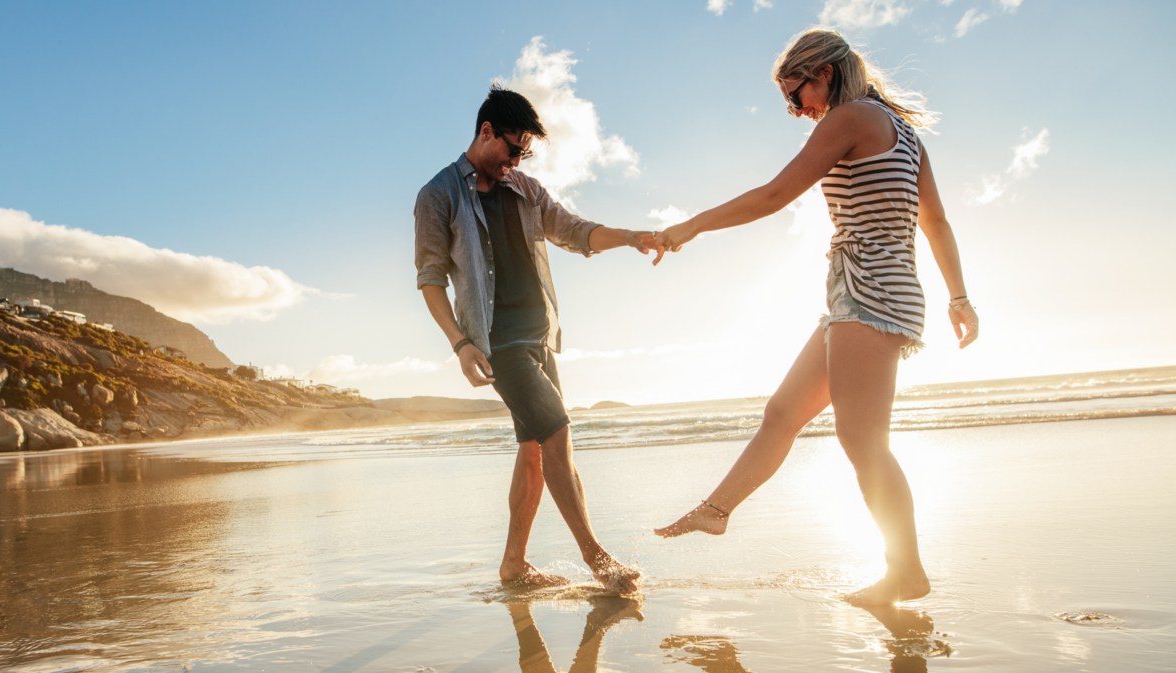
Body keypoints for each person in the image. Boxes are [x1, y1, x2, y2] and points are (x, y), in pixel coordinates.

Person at [651, 29, 979, 607]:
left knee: (863, 442)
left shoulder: (850, 117)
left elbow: (776, 194)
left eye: (794, 94)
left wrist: (692, 225)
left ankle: (906, 571)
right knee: (783, 412)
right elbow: (937, 222)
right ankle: (716, 511)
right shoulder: (904, 132)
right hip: (869, 292)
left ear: (823, 73)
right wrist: (958, 298)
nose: (795, 110)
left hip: (869, 292)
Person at [415, 85, 650, 593]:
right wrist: (460, 344)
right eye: (512, 148)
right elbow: (431, 278)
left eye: (524, 152)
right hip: (499, 344)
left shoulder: (525, 190)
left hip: (541, 339)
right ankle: (598, 558)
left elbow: (575, 231)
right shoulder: (438, 195)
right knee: (558, 432)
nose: (516, 160)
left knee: (534, 450)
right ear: (485, 131)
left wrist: (629, 236)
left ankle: (514, 565)